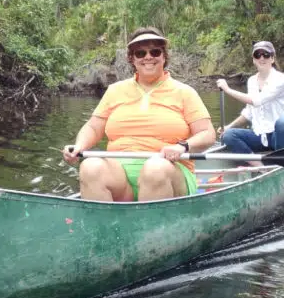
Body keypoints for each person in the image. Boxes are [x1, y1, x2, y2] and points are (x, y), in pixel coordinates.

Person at [63, 27, 216, 201]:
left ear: (164, 56)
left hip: (168, 172)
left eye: (155, 51)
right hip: (120, 176)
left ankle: (155, 227)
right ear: (132, 59)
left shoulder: (184, 92)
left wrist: (182, 147)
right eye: (140, 53)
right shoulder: (115, 90)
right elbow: (93, 127)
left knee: (154, 168)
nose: (148, 57)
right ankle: (106, 226)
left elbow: (207, 134)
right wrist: (79, 146)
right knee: (90, 166)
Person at [216, 40, 284, 156]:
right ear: (254, 60)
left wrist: (227, 90)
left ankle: (281, 160)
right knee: (229, 135)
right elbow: (249, 113)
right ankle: (257, 165)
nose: (262, 58)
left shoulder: (280, 79)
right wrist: (228, 127)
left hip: (280, 136)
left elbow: (256, 101)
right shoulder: (252, 81)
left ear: (272, 59)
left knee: (282, 123)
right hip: (260, 136)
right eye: (258, 55)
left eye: (266, 55)